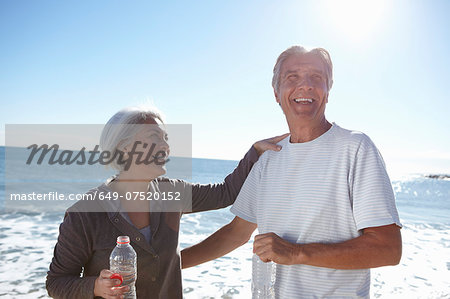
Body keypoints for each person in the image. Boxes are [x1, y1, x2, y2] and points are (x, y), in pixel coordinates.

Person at [181, 46, 402, 298]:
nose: (305, 86)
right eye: (292, 77)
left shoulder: (355, 148)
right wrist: (169, 266)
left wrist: (297, 252)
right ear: (276, 93)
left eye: (316, 78)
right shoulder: (268, 160)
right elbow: (235, 233)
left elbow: (388, 249)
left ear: (328, 91)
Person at [46, 105, 287, 299]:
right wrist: (96, 287)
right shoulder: (85, 213)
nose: (165, 146)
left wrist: (255, 152)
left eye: (166, 138)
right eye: (154, 137)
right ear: (124, 148)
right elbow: (56, 283)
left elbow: (226, 193)